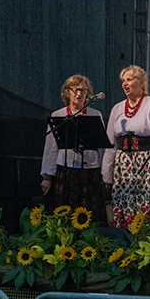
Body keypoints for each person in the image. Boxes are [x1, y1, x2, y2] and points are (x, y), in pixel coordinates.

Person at [102, 65, 150, 228]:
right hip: (123, 165)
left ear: (141, 82)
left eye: (129, 79)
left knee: (145, 203)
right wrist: (107, 173)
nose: (125, 83)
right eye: (123, 80)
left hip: (146, 163)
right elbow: (110, 143)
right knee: (124, 203)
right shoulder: (117, 109)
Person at [40, 75, 107, 224]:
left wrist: (104, 173)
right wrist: (47, 176)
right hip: (66, 169)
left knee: (90, 211)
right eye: (75, 90)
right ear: (67, 92)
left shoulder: (95, 115)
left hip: (90, 169)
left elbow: (102, 147)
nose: (79, 94)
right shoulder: (58, 115)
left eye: (83, 90)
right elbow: (51, 147)